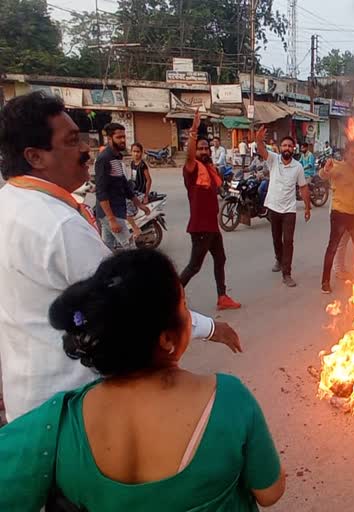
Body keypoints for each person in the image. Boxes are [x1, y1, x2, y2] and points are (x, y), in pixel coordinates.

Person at [0, 92, 241, 423]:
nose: (85, 150)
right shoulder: (58, 226)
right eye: (71, 141)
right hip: (68, 410)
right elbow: (133, 302)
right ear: (35, 156)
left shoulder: (9, 202)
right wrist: (211, 328)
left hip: (26, 402)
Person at [0, 249, 285, 511]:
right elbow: (269, 493)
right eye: (184, 305)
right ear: (165, 338)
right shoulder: (228, 398)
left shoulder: (60, 422)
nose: (188, 315)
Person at [179, 111, 241, 311]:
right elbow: (189, 156)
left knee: (220, 259)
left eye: (206, 148)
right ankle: (171, 299)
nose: (204, 151)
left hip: (212, 227)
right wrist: (194, 132)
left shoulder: (209, 169)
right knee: (194, 266)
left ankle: (222, 297)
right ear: (195, 151)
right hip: (200, 227)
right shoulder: (192, 168)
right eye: (200, 149)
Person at [257, 129, 311, 288]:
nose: (287, 148)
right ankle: (279, 259)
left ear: (294, 149)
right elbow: (261, 150)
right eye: (284, 145)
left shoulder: (298, 167)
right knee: (276, 238)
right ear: (280, 148)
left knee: (288, 241)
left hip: (289, 210)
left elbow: (303, 187)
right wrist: (259, 140)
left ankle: (287, 273)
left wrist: (308, 207)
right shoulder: (273, 159)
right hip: (273, 206)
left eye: (290, 146)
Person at [319, 142, 354, 294]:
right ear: (346, 155)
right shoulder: (339, 167)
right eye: (352, 154)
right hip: (339, 213)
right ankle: (325, 282)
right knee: (332, 247)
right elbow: (324, 174)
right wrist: (325, 169)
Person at [94, 122, 150, 250]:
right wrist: (111, 219)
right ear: (109, 139)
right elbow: (101, 191)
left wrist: (139, 204)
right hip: (110, 213)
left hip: (116, 210)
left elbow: (124, 185)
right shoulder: (104, 159)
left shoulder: (116, 157)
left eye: (124, 137)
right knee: (130, 248)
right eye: (119, 137)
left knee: (107, 248)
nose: (123, 140)